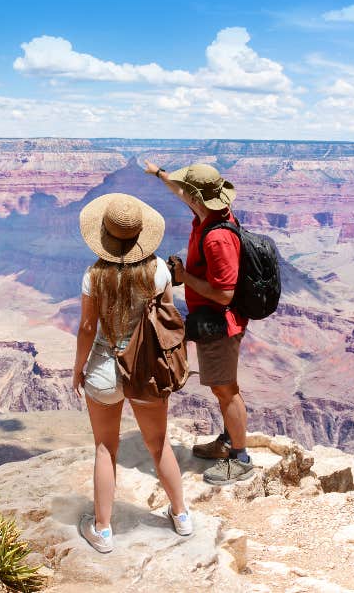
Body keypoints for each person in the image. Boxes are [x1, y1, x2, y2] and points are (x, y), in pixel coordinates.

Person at [73, 192, 193, 554]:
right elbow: (166, 322)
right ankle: (182, 516)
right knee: (158, 445)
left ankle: (104, 530)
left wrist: (78, 370)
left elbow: (86, 328)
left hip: (103, 369)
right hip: (146, 370)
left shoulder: (94, 276)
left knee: (105, 448)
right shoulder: (158, 272)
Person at [144, 161, 254, 486]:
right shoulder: (209, 214)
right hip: (212, 321)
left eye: (189, 193)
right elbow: (183, 193)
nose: (185, 197)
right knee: (222, 388)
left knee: (225, 390)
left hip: (222, 324)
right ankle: (227, 441)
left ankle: (240, 458)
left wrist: (183, 277)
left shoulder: (216, 238)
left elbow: (224, 293)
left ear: (198, 197)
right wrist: (160, 173)